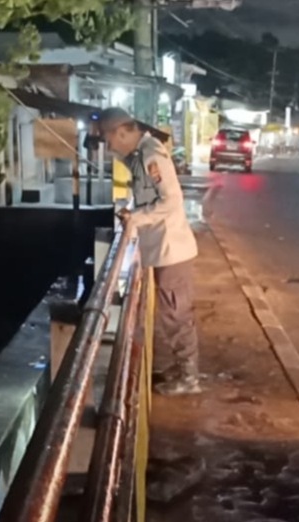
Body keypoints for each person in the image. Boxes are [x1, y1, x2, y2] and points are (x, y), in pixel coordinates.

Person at [99, 107, 201, 395]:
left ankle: (189, 377)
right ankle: (182, 368)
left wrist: (136, 218)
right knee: (172, 313)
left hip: (171, 248)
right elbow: (144, 190)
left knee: (176, 314)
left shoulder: (151, 155)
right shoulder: (141, 154)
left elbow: (171, 200)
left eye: (108, 139)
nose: (108, 146)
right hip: (163, 248)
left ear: (122, 132)